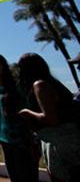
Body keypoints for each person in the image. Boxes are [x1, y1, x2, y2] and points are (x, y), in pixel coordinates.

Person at [18, 53, 80, 182]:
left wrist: (28, 113)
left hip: (58, 143)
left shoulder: (40, 85)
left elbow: (51, 119)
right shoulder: (54, 83)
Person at [0, 54, 38, 182]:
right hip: (5, 139)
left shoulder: (17, 87)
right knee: (14, 175)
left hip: (22, 139)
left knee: (26, 174)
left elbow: (28, 112)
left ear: (4, 66)